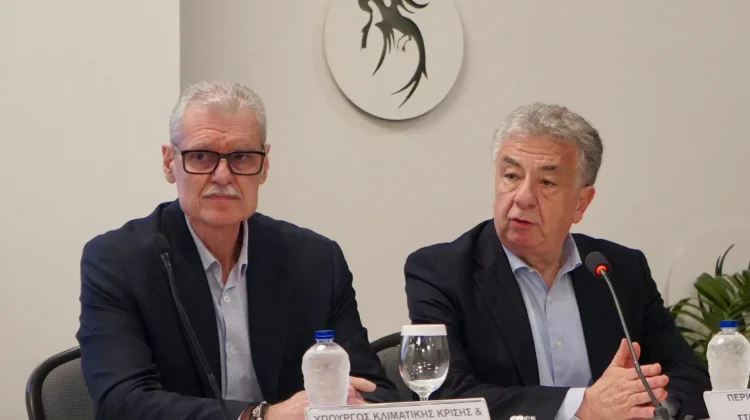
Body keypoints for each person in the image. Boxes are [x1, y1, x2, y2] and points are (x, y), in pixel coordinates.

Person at [77, 81, 397, 420]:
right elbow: (122, 402)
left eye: (241, 157)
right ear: (170, 163)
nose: (222, 175)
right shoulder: (118, 261)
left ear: (264, 166)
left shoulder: (315, 261)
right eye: (201, 156)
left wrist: (354, 406)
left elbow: (374, 390)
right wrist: (261, 417)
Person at [404, 103, 711, 420]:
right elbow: (446, 397)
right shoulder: (441, 272)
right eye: (511, 176)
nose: (523, 197)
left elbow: (690, 379)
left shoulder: (618, 271)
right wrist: (582, 405)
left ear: (581, 203)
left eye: (547, 183)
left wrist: (648, 405)